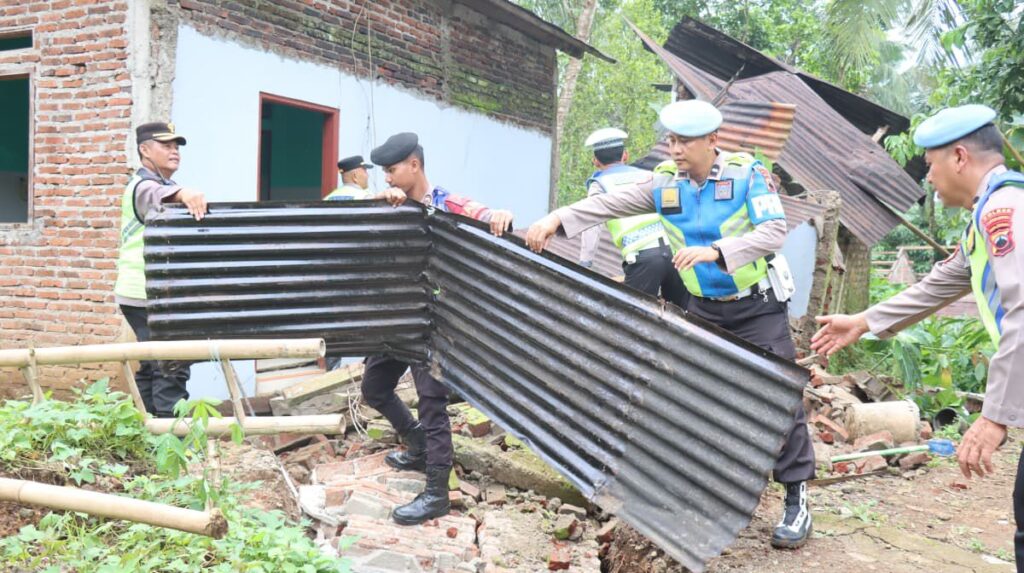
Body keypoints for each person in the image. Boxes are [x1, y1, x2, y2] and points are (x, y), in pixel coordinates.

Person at [526, 99, 816, 549]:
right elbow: (610, 203)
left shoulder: (746, 175)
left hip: (757, 307)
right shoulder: (665, 183)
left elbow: (773, 231)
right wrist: (557, 219)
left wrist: (716, 252)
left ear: (712, 140)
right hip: (705, 308)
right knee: (697, 397)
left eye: (685, 142)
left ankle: (796, 498)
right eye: (672, 141)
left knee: (781, 401)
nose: (676, 149)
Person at [810, 104, 1024, 566]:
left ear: (960, 158)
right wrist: (863, 321)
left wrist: (994, 417)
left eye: (930, 164)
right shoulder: (989, 210)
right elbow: (942, 282)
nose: (928, 178)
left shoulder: (1005, 211)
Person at [363, 132, 514, 525]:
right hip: (399, 318)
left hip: (436, 321)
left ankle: (436, 493)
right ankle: (417, 445)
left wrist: (499, 216)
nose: (387, 178)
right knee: (374, 387)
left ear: (414, 165)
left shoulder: (447, 204)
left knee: (431, 402)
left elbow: (485, 215)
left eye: (392, 170)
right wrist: (380, 202)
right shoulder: (391, 206)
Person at [115, 122, 208, 418]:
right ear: (145, 150)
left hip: (150, 294)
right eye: (166, 145)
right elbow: (156, 196)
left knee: (152, 364)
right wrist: (184, 193)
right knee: (171, 365)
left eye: (176, 146)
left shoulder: (164, 184)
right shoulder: (142, 186)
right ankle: (171, 436)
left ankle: (146, 430)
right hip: (145, 294)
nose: (174, 151)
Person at [579, 128, 688, 308]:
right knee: (683, 316)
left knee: (633, 316)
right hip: (676, 254)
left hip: (643, 259)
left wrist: (585, 263)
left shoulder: (600, 185)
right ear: (625, 155)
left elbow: (591, 224)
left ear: (595, 161)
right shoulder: (649, 176)